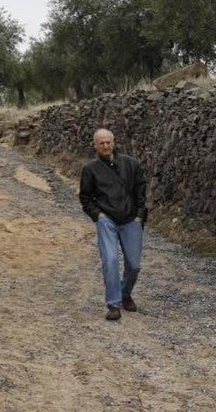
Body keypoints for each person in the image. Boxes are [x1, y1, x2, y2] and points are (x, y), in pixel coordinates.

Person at [79, 128, 147, 321]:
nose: (106, 146)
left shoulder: (131, 164)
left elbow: (141, 190)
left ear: (114, 142)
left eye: (108, 142)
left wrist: (139, 215)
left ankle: (125, 294)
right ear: (95, 145)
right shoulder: (90, 169)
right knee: (110, 260)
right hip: (107, 220)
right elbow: (85, 197)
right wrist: (98, 215)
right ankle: (113, 304)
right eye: (101, 143)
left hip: (131, 219)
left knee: (134, 265)